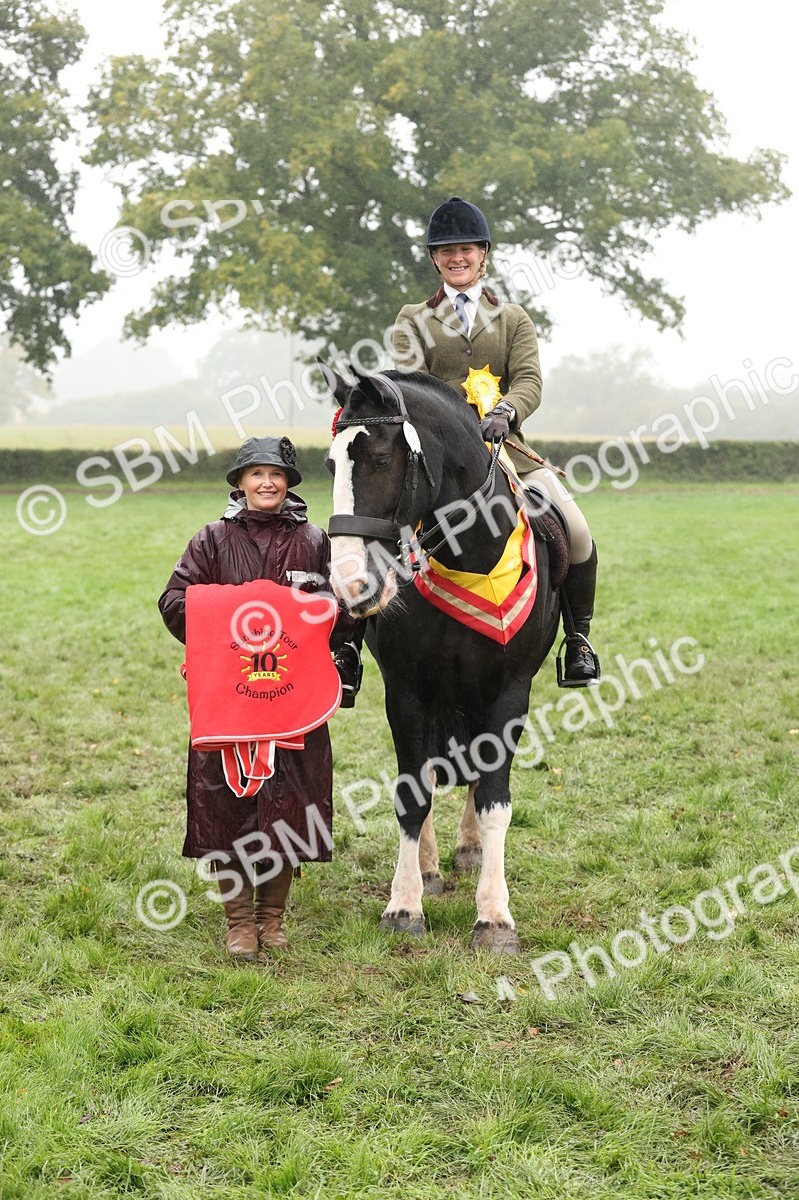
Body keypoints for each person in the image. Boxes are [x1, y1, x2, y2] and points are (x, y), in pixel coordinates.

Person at [158, 436, 357, 960]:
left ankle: (273, 918)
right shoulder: (212, 539)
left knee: (289, 806)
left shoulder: (317, 541)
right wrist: (242, 609)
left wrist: (319, 616)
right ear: (240, 482)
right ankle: (239, 922)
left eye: (276, 474)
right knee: (224, 805)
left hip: (294, 698)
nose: (266, 482)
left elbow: (343, 608)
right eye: (255, 474)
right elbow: (175, 600)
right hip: (230, 698)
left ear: (289, 482)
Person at [392, 196, 600, 687]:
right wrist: (455, 422)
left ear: (483, 254)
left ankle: (578, 639)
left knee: (576, 529)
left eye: (466, 249)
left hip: (508, 452)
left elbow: (529, 380)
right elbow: (410, 383)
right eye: (446, 251)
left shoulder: (513, 318)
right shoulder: (411, 318)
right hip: (435, 459)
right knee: (377, 531)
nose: (456, 258)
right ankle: (349, 650)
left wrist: (507, 410)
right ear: (433, 259)